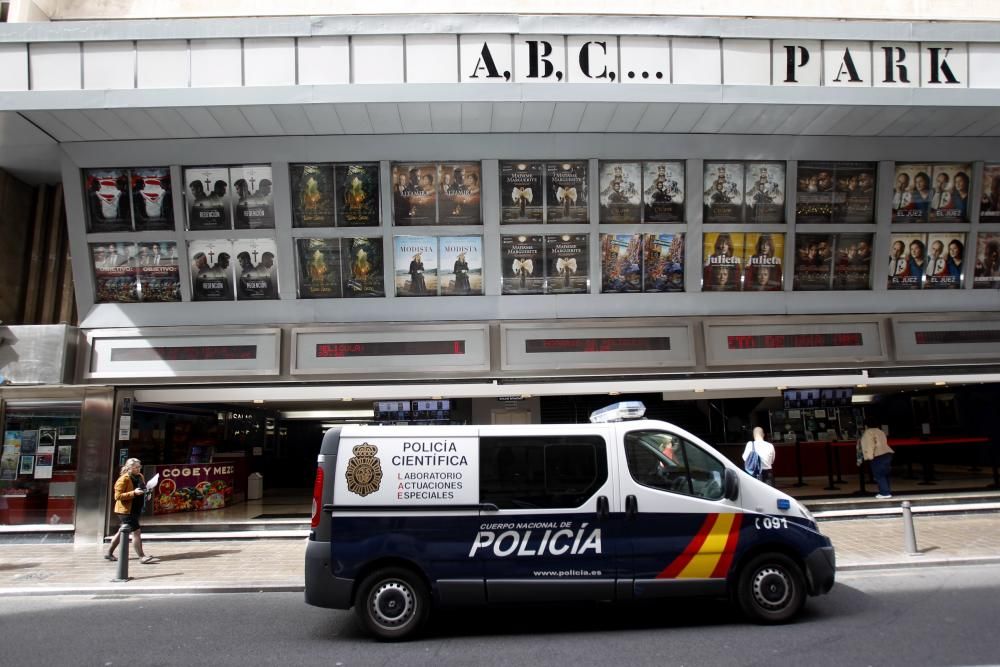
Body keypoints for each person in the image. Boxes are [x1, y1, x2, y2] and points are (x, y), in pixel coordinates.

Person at [105, 458, 156, 563]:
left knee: (121, 532)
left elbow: (142, 488)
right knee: (136, 532)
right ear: (129, 468)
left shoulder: (140, 476)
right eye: (136, 467)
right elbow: (117, 496)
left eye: (139, 467)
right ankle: (142, 556)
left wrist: (147, 490)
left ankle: (109, 553)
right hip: (125, 511)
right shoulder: (123, 479)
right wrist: (133, 493)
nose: (138, 469)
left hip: (135, 508)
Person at [860, 422, 894, 499]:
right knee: (885, 474)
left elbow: (870, 445)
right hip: (887, 453)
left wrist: (869, 457)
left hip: (877, 455)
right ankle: (886, 491)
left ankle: (885, 493)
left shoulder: (868, 432)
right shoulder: (880, 431)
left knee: (879, 474)